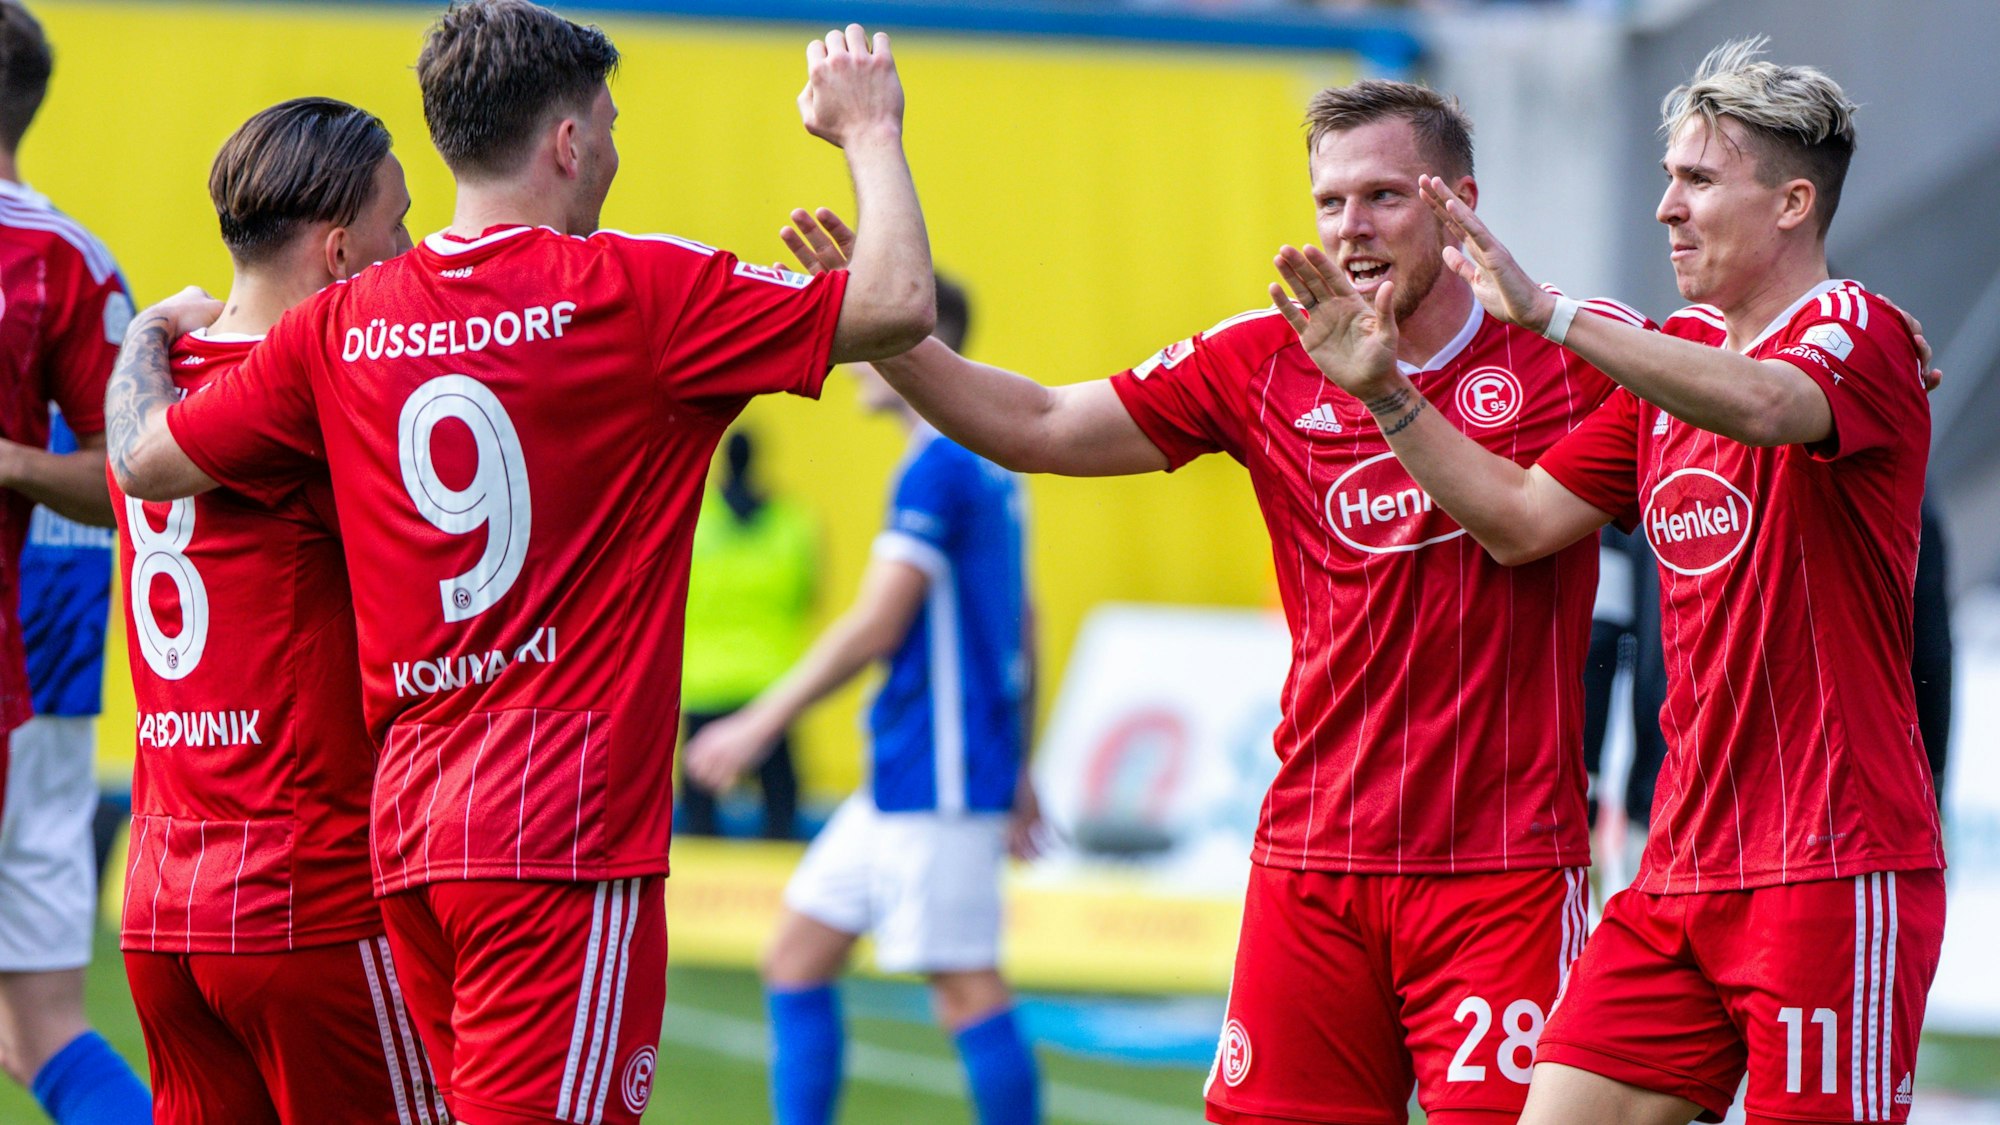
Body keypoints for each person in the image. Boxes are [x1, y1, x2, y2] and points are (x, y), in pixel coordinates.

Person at [104, 3, 934, 1122]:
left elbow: (147, 462)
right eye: (611, 121)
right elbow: (893, 306)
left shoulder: (342, 324)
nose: (616, 145)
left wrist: (143, 342)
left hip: (403, 844)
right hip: (560, 835)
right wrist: (870, 131)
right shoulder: (637, 291)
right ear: (567, 143)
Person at [776, 80, 1647, 1125]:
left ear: (1458, 200)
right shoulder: (1264, 356)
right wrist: (893, 341)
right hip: (1310, 870)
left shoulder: (1572, 354)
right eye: (1329, 203)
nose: (1350, 230)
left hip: (1498, 874)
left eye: (1382, 197)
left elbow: (1695, 427)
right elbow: (1043, 424)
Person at [1271, 38, 1944, 1125]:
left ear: (1790, 204)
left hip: (1828, 867)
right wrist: (1388, 395)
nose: (1663, 210)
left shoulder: (1855, 330)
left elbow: (1766, 405)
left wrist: (1547, 317)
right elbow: (1518, 522)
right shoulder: (1668, 365)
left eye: (1695, 180)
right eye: (1665, 180)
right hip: (1675, 876)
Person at [109, 96, 451, 1124]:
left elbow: (129, 454)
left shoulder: (160, 388)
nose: (414, 248)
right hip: (305, 903)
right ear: (341, 253)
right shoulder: (318, 401)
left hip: (162, 908)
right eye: (399, 226)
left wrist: (140, 337)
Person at [685, 275, 1044, 1125]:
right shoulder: (983, 461)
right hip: (914, 766)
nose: (848, 358)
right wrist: (1021, 758)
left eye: (868, 334)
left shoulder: (941, 464)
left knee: (963, 985)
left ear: (918, 346)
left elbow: (880, 623)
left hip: (939, 770)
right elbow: (1022, 620)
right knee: (797, 955)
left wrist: (758, 721)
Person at [0, 3, 151, 1121]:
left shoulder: (60, 263)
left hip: (31, 679)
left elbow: (129, 477)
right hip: (46, 672)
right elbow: (134, 475)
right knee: (39, 1025)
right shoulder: (77, 264)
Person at [680, 428, 818, 839]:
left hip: (703, 685)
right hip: (770, 689)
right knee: (782, 818)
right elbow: (806, 597)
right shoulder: (793, 526)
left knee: (700, 827)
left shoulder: (695, 523)